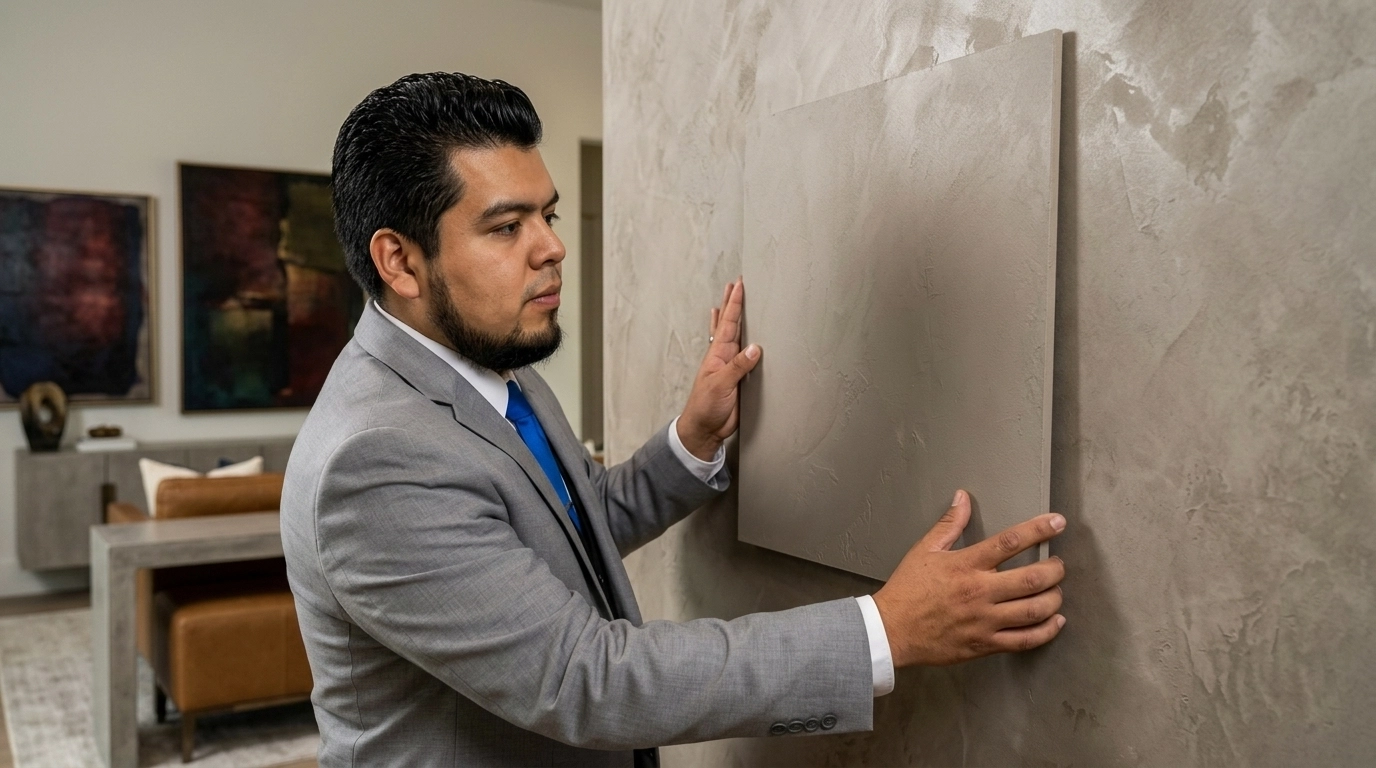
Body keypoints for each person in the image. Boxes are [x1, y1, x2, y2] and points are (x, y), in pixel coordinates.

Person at [281, 72, 1068, 768]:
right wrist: (884, 630)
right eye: (505, 226)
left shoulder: (492, 365)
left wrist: (691, 442)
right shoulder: (377, 461)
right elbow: (583, 681)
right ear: (399, 261)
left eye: (548, 215)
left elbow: (568, 532)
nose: (553, 248)